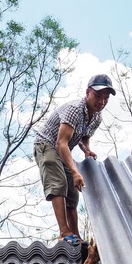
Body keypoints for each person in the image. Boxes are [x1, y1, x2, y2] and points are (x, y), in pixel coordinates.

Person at [33, 74, 116, 246]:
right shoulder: (75, 109)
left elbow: (83, 136)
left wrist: (87, 150)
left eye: (105, 98)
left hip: (63, 150)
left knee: (72, 192)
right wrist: (75, 171)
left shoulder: (96, 117)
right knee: (59, 183)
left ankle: (75, 234)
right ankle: (64, 232)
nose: (101, 102)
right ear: (87, 92)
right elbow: (61, 142)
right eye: (98, 96)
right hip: (47, 145)